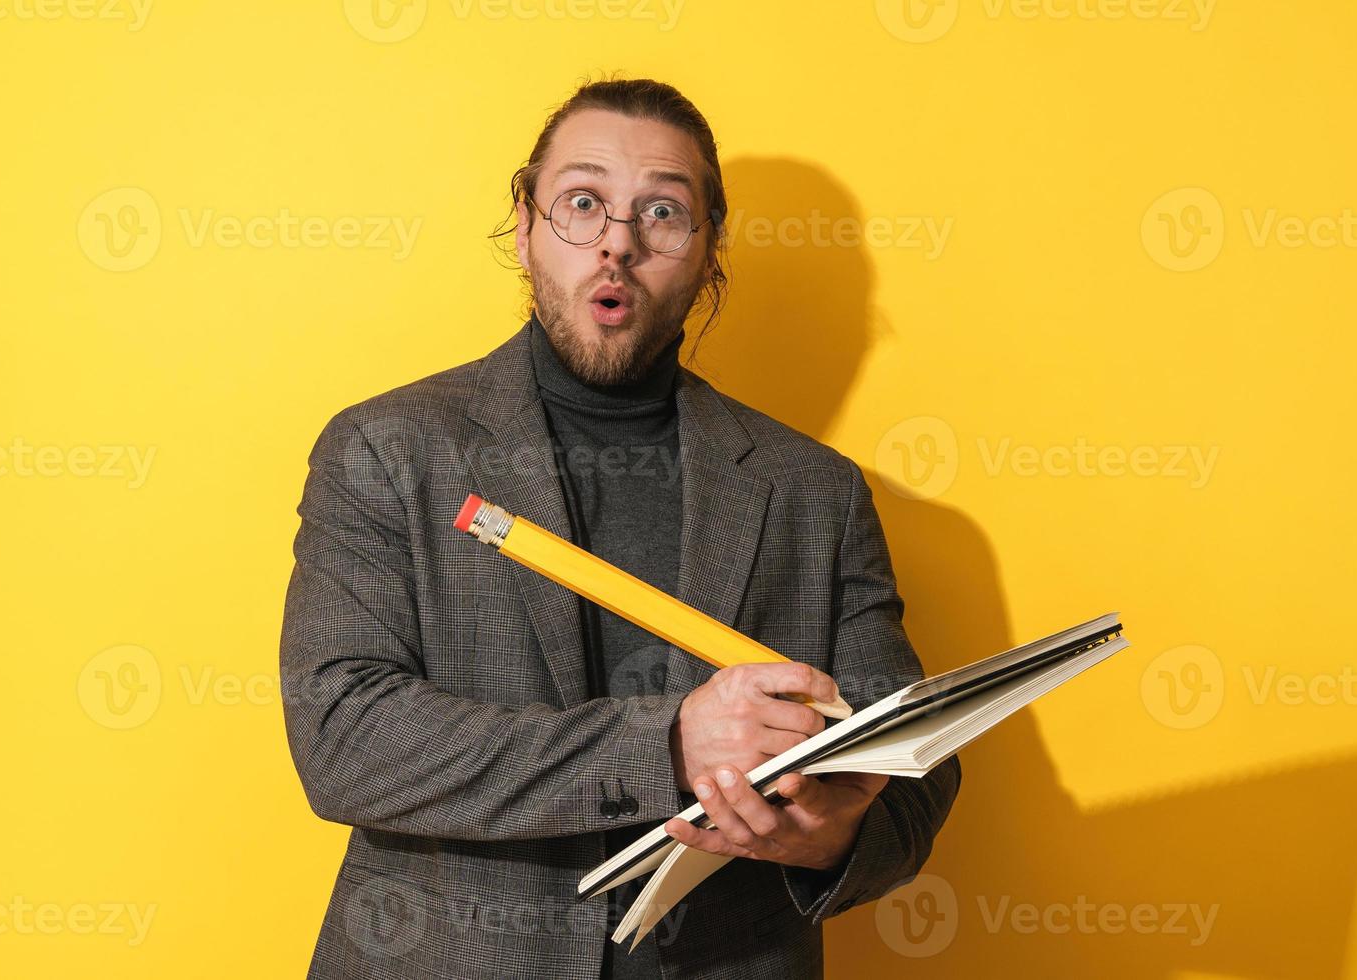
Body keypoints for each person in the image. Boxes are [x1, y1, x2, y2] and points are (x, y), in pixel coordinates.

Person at [279, 77, 960, 979]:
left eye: (664, 213)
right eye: (583, 202)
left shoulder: (815, 492)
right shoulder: (385, 449)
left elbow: (911, 770)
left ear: (709, 250)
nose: (618, 244)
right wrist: (667, 744)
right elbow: (344, 738)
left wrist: (835, 836)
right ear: (524, 227)